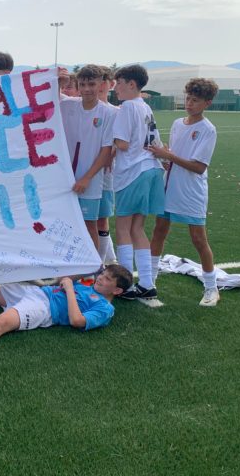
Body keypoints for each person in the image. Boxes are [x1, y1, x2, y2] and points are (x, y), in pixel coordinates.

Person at [0, 265, 133, 357]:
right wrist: (84, 270)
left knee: (2, 323)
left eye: (107, 279)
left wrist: (69, 289)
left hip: (44, 309)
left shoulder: (105, 309)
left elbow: (77, 320)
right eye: (102, 274)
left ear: (117, 291)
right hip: (38, 293)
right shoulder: (90, 286)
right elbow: (60, 281)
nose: (101, 278)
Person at [149, 78, 220, 307]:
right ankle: (149, 281)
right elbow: (174, 156)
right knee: (159, 231)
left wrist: (169, 156)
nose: (189, 103)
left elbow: (199, 167)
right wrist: (164, 158)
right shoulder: (178, 124)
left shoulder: (208, 130)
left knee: (198, 239)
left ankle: (211, 288)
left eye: (195, 100)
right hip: (169, 187)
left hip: (191, 192)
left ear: (207, 103)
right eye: (188, 98)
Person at [111, 64, 165, 304]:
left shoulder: (127, 107)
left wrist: (109, 142)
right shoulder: (145, 106)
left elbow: (122, 143)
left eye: (119, 83)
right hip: (151, 169)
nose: (115, 88)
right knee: (137, 228)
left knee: (123, 228)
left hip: (133, 171)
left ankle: (124, 284)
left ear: (131, 84)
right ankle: (147, 283)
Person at [59, 65, 115, 249]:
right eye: (82, 84)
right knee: (65, 224)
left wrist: (87, 178)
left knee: (89, 224)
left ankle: (95, 265)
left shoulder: (108, 113)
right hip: (65, 179)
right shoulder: (68, 105)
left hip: (90, 181)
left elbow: (106, 150)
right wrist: (59, 80)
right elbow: (48, 97)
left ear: (101, 84)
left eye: (91, 84)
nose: (86, 89)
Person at [96, 66, 118, 264]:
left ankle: (100, 264)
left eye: (105, 80)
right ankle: (109, 259)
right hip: (80, 172)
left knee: (102, 218)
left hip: (105, 174)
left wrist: (113, 151)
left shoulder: (117, 112)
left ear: (111, 84)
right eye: (98, 80)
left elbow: (126, 140)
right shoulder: (81, 108)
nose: (101, 85)